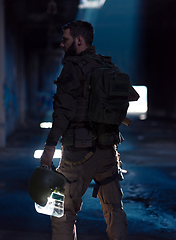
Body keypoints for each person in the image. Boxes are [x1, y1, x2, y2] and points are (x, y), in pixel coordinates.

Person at [40, 20, 128, 240]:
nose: (62, 44)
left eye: (66, 39)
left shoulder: (73, 68)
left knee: (63, 212)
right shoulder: (107, 65)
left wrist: (49, 147)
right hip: (107, 149)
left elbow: (63, 112)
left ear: (79, 40)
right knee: (114, 208)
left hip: (77, 153)